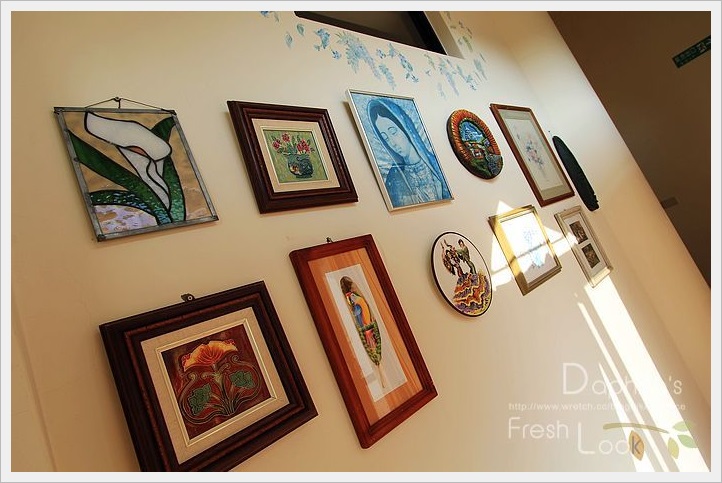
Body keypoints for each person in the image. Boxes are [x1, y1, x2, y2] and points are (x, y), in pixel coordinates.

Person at [368, 99, 451, 207]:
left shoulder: (436, 165)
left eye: (393, 132)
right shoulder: (393, 177)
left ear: (406, 129)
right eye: (386, 138)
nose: (392, 143)